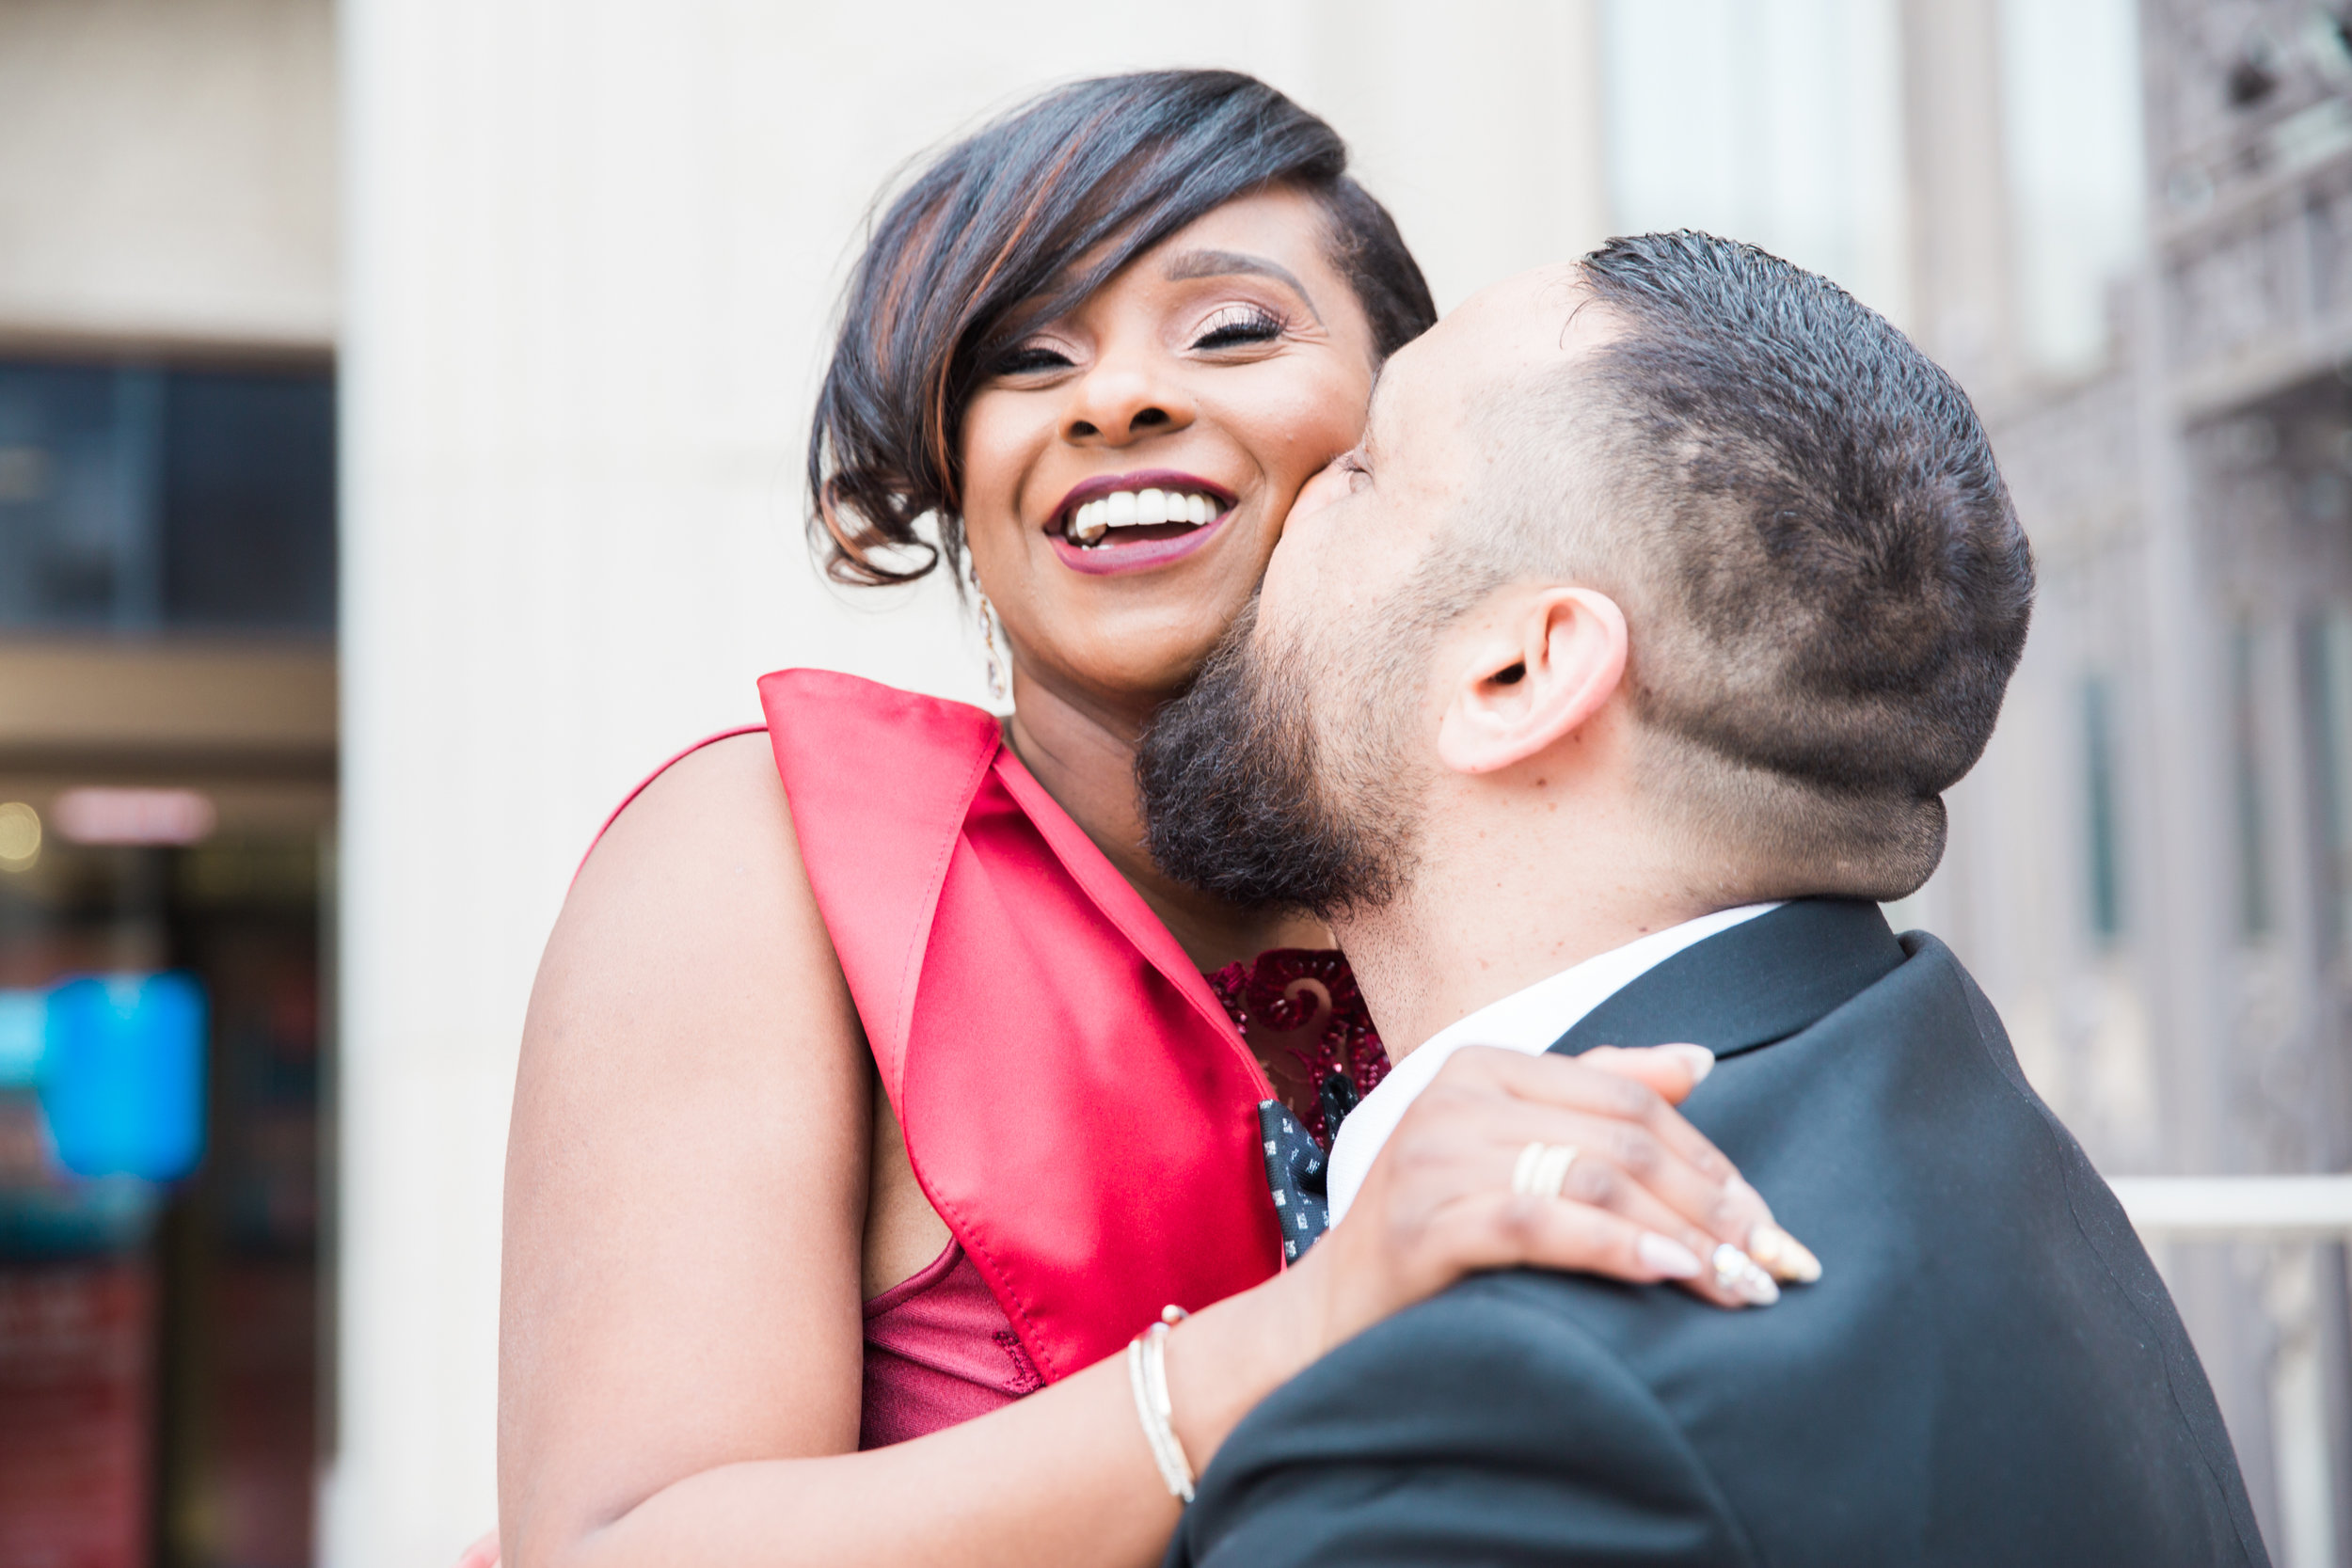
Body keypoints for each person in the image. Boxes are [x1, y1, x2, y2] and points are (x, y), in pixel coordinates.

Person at [493, 75, 1820, 1568]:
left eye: (1233, 329)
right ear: (951, 475)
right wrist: (1294, 1331)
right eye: (1027, 358)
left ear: (1402, 420)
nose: (1112, 400)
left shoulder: (1542, 840)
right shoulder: (770, 863)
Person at [1144, 232, 2268, 1566]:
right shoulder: (1966, 1121)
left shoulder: (1496, 1400)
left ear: (1517, 673)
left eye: (1366, 468)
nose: (1285, 493)